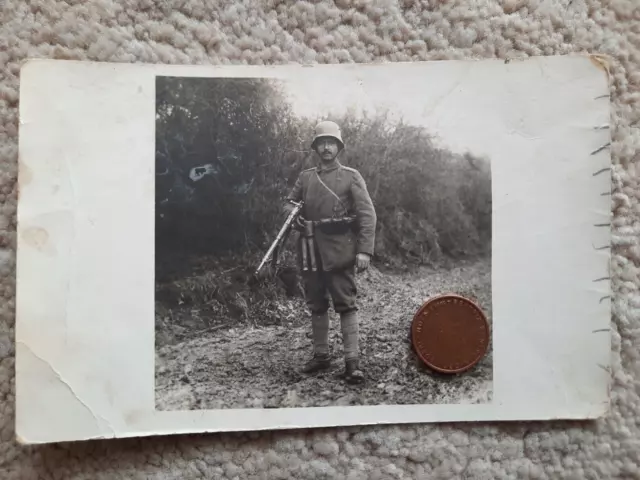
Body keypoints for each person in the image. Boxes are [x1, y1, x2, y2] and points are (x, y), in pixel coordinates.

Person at [283, 120, 377, 385]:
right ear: (315, 147)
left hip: (340, 250)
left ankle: (352, 362)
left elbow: (368, 215)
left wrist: (364, 251)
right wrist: (293, 216)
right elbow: (289, 203)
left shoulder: (351, 176)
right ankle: (321, 355)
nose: (326, 147)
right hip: (310, 249)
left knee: (346, 303)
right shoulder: (306, 177)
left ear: (339, 146)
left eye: (331, 143)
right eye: (322, 142)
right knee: (316, 302)